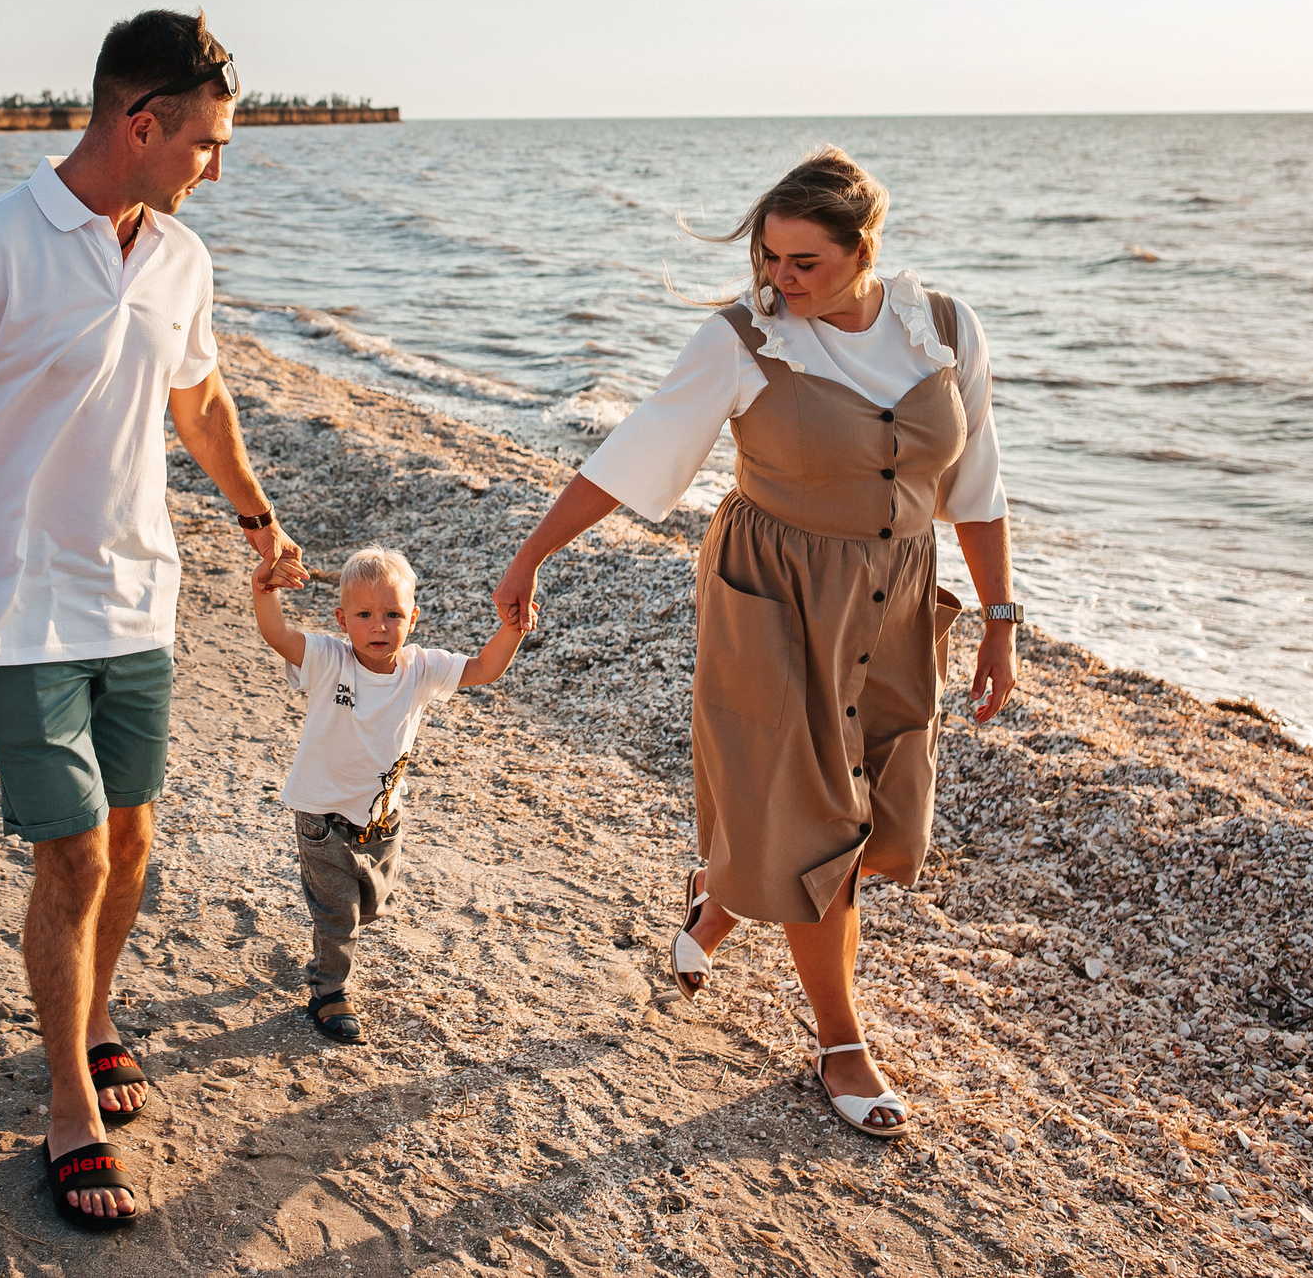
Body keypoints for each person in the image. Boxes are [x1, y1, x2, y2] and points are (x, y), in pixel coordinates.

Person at [0, 9, 302, 1232]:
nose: (220, 163)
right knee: (79, 853)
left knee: (136, 842)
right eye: (207, 141)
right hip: (11, 606)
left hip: (138, 594)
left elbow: (196, 395)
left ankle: (97, 1015)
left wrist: (256, 515)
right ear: (139, 124)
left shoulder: (180, 258)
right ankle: (65, 1103)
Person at [492, 145, 1019, 1140]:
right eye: (767, 257)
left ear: (865, 249)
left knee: (870, 809)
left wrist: (998, 621)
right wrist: (530, 557)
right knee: (815, 816)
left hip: (896, 597)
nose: (780, 279)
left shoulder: (943, 328)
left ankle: (722, 895)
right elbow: (633, 451)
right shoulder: (740, 340)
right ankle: (840, 1040)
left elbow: (977, 483)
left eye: (804, 261)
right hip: (774, 597)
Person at [249, 547, 525, 1045]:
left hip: (382, 825)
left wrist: (512, 630)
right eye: (365, 615)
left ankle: (330, 948)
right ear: (342, 619)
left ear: (413, 619)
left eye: (393, 614)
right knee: (339, 917)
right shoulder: (330, 660)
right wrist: (264, 592)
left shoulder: (420, 669)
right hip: (323, 819)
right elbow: (280, 636)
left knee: (371, 906)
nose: (379, 627)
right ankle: (329, 990)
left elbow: (485, 668)